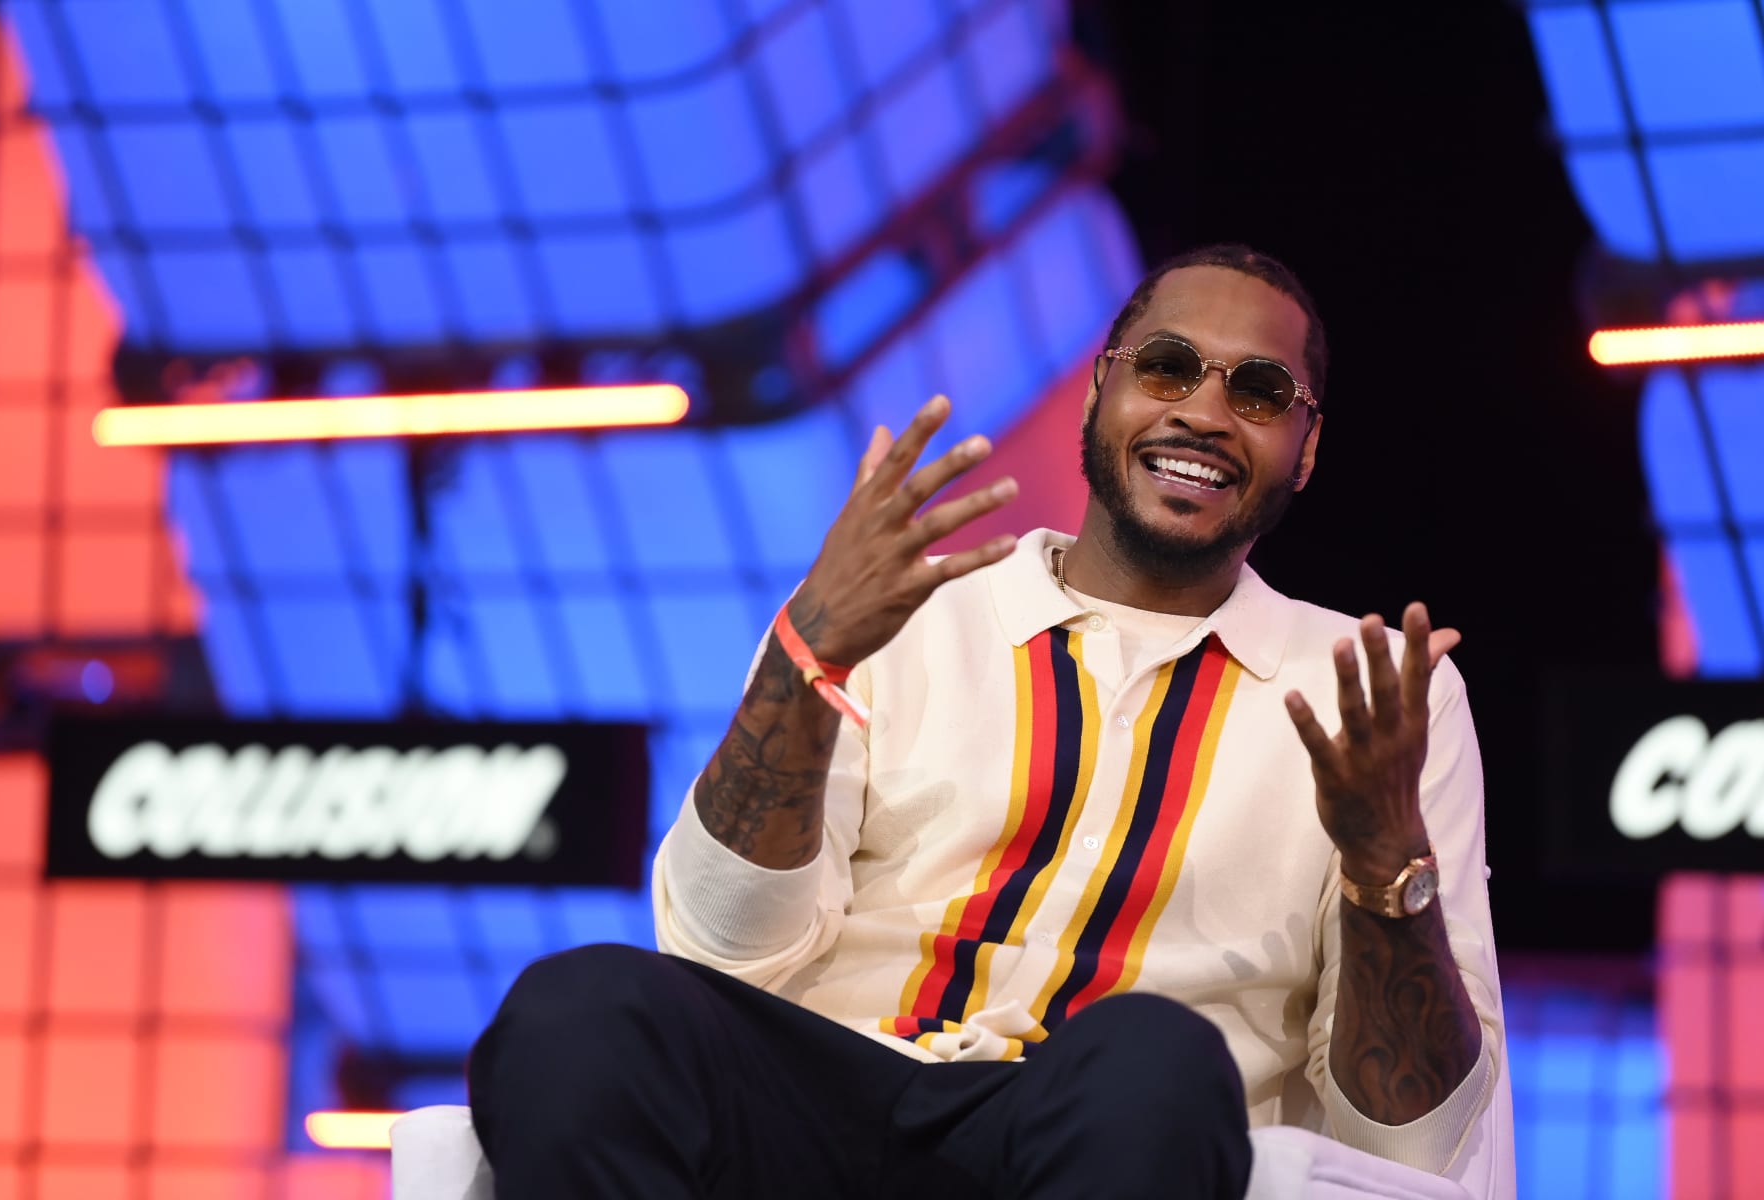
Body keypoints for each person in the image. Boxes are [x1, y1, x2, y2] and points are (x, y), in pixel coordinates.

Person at [468, 245, 1505, 1199]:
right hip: (821, 1100)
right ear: (1101, 387)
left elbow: (1411, 1142)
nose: (1204, 410)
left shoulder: (1371, 693)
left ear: (1307, 448)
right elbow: (720, 948)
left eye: (1261, 390)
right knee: (583, 1008)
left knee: (1149, 1056)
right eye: (1169, 366)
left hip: (1100, 1130)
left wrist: (1384, 870)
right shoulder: (901, 604)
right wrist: (806, 659)